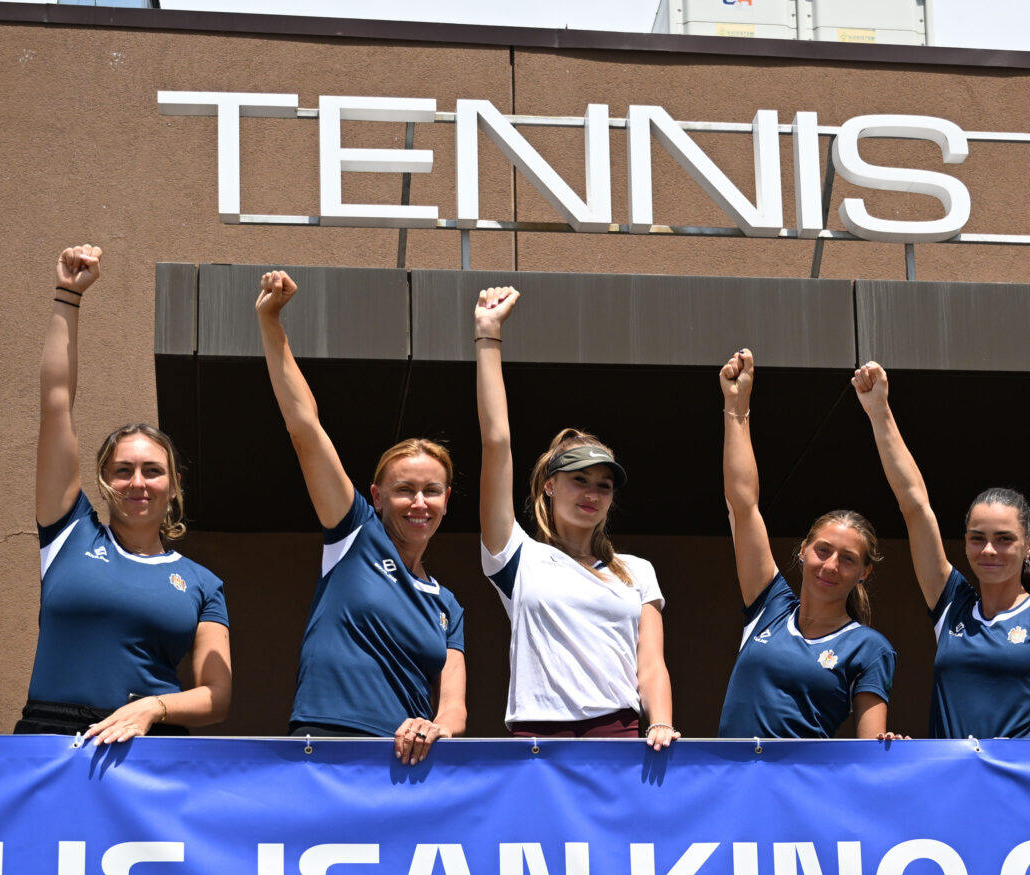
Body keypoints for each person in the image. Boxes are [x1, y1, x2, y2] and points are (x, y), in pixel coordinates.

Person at [18, 245, 230, 743]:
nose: (138, 482)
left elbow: (217, 697)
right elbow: (56, 403)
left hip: (150, 744)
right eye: (123, 471)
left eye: (153, 471)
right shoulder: (68, 533)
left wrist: (154, 708)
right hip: (51, 740)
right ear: (103, 481)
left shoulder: (202, 583)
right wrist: (68, 296)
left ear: (174, 486)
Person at [255, 271, 465, 765]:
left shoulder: (448, 605)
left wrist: (435, 727)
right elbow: (304, 428)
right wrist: (270, 321)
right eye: (404, 490)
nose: (419, 502)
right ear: (377, 497)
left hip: (407, 759)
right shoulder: (355, 534)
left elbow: (454, 707)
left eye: (431, 491)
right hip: (325, 744)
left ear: (447, 500)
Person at [473, 286, 678, 748]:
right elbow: (496, 444)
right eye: (579, 480)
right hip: (535, 740)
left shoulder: (637, 571)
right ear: (549, 485)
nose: (592, 493)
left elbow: (651, 665)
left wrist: (661, 722)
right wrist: (488, 337)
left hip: (620, 735)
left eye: (604, 485)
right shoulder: (516, 556)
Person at [853, 361, 1030, 740]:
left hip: (1015, 774)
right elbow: (915, 506)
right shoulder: (952, 604)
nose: (989, 550)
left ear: (1029, 545)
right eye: (977, 538)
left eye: (1004, 539)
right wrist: (880, 412)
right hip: (950, 775)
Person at [715, 350, 897, 739]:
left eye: (848, 559)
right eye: (823, 550)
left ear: (864, 572)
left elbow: (870, 750)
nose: (830, 566)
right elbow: (743, 505)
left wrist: (889, 746)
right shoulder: (769, 606)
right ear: (803, 551)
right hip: (730, 776)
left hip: (802, 779)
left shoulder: (869, 647)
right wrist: (737, 407)